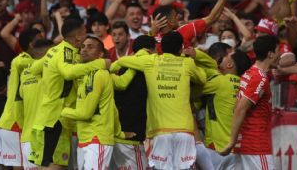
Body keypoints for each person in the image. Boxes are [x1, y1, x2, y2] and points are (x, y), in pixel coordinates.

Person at [114, 31, 207, 169]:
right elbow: (203, 79)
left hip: (160, 131)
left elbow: (121, 61)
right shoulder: (187, 63)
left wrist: (110, 68)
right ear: (181, 47)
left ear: (160, 48)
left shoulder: (151, 61)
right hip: (184, 130)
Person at [29, 18, 110, 169]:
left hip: (50, 117)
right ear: (78, 36)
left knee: (51, 164)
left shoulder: (54, 50)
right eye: (85, 32)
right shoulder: (65, 52)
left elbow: (34, 69)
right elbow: (68, 73)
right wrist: (100, 63)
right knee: (54, 165)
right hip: (54, 120)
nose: (86, 35)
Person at [219, 35, 280, 170]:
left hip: (246, 144)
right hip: (257, 146)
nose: (280, 55)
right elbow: (241, 108)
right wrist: (231, 142)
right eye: (278, 51)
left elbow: (236, 106)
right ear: (270, 54)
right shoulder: (259, 78)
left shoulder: (249, 73)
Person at [60, 35, 117, 170]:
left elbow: (85, 113)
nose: (84, 50)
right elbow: (112, 107)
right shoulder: (85, 75)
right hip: (86, 138)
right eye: (83, 47)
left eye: (90, 47)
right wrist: (119, 132)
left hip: (96, 138)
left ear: (100, 54)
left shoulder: (98, 75)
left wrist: (62, 111)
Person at [189, 47, 252, 169]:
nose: (219, 61)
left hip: (217, 148)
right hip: (237, 148)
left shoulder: (220, 81)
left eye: (223, 59)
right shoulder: (245, 84)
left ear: (229, 64)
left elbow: (189, 93)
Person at [0, 28, 42, 169]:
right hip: (14, 122)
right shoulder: (22, 60)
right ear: (31, 45)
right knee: (19, 167)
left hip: (10, 122)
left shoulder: (26, 62)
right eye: (40, 40)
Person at [151, 0, 233, 51]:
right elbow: (212, 17)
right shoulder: (183, 31)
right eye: (175, 16)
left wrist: (151, 33)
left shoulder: (151, 42)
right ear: (170, 21)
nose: (179, 17)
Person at [110, 35, 156, 170]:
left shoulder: (121, 68)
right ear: (151, 50)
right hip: (133, 137)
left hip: (119, 134)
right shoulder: (152, 68)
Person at [18, 39, 54, 170]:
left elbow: (22, 95)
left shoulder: (24, 73)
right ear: (47, 53)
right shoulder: (50, 72)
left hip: (27, 138)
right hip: (43, 138)